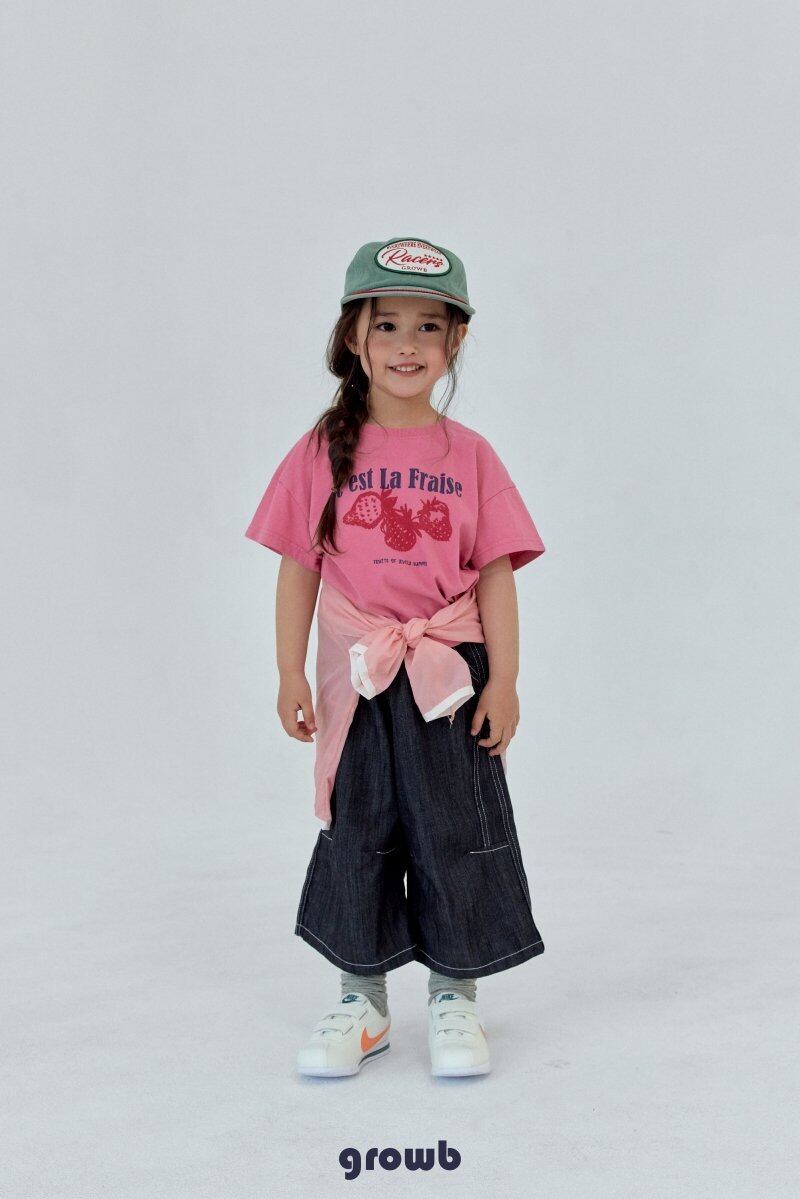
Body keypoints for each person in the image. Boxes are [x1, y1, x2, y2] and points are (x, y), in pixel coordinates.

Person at [244, 236, 547, 1079]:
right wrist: (289, 671)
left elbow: (496, 575)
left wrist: (506, 680)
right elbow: (298, 568)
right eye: (387, 326)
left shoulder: (472, 455)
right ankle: (363, 1001)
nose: (407, 345)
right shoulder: (321, 449)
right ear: (354, 336)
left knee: (456, 828)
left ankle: (455, 996)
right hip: (359, 672)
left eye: (428, 327)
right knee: (361, 828)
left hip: (449, 672)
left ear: (456, 340)